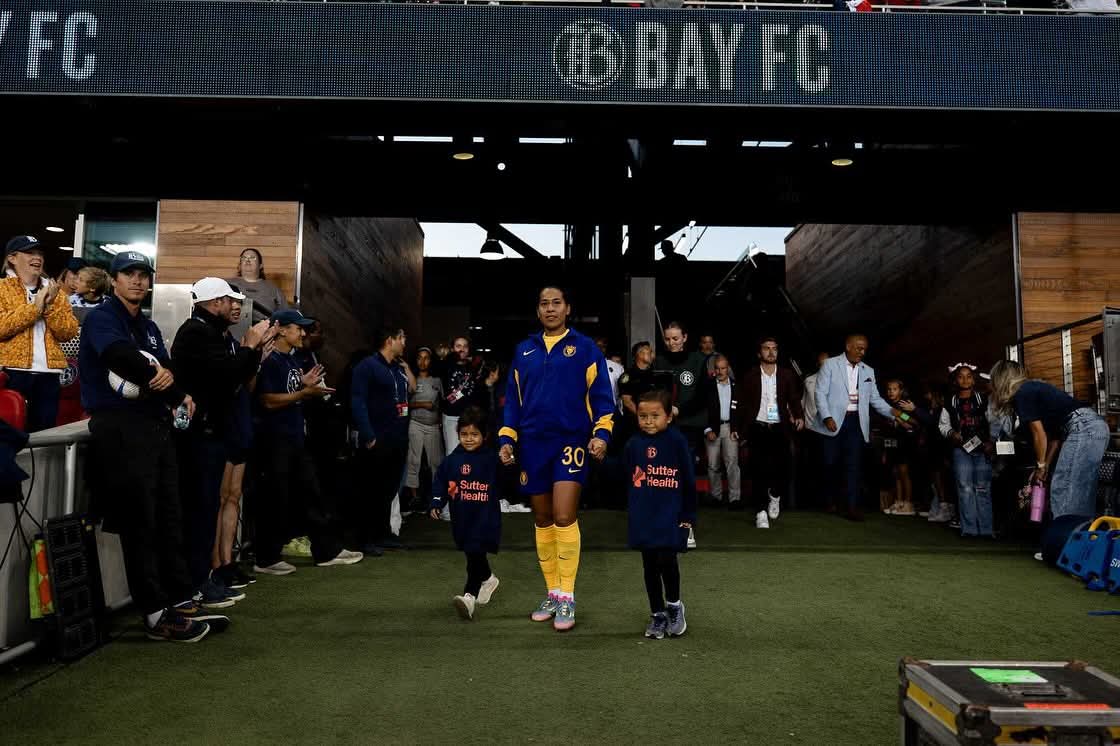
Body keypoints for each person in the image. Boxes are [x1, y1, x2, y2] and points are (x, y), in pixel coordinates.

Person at [79, 250, 216, 642]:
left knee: (168, 516)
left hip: (154, 428)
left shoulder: (151, 327)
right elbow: (120, 357)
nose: (137, 281)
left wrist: (178, 390)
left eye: (143, 275)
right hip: (120, 429)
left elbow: (168, 369)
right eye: (129, 274)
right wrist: (166, 383)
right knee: (140, 522)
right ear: (115, 279)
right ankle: (156, 615)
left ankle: (176, 598)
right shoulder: (102, 318)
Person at [499, 286, 614, 632]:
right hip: (532, 445)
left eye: (556, 303)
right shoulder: (524, 351)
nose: (550, 309)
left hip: (569, 442)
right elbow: (513, 403)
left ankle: (568, 597)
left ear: (567, 309)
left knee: (565, 515)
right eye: (544, 304)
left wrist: (601, 433)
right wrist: (507, 439)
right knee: (543, 517)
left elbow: (602, 398)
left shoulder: (584, 348)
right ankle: (551, 592)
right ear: (538, 311)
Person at [171, 277, 271, 604]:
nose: (235, 307)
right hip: (199, 436)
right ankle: (195, 583)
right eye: (230, 301)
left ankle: (202, 579)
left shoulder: (211, 333)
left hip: (213, 433)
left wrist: (251, 351)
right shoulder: (197, 333)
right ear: (215, 302)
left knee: (207, 508)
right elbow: (228, 376)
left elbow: (235, 378)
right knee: (199, 512)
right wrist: (249, 346)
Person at [254, 309, 363, 574]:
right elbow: (267, 400)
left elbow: (288, 392)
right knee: (277, 499)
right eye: (298, 328)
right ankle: (265, 558)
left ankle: (326, 551)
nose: (303, 333)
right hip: (275, 440)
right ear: (281, 329)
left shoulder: (291, 360)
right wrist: (304, 392)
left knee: (312, 493)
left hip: (294, 438)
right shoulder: (270, 360)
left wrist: (304, 385)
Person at [989, 360, 1110, 519]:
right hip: (1093, 427)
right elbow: (1054, 438)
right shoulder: (1032, 390)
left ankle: (1064, 537)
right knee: (1080, 491)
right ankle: (1081, 536)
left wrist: (1040, 466)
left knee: (1063, 487)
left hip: (1083, 427)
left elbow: (1039, 433)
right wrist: (1043, 467)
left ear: (1001, 379)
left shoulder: (1023, 392)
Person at [626, 390, 696, 639]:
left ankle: (675, 606)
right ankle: (657, 614)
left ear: (668, 416)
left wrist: (688, 516)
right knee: (649, 566)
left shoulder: (676, 442)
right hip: (643, 517)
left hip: (670, 516)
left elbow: (688, 481)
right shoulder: (634, 444)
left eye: (655, 416)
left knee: (667, 561)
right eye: (643, 415)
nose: (648, 421)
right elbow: (624, 476)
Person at [810, 334, 901, 521]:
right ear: (848, 346)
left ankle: (852, 507)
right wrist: (826, 416)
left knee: (853, 466)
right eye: (859, 347)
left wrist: (897, 413)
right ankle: (829, 500)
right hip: (833, 421)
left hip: (856, 423)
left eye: (865, 349)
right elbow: (819, 393)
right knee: (829, 463)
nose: (862, 352)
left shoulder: (868, 370)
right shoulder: (830, 364)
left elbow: (875, 399)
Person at [429, 407, 502, 621]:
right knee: (472, 552)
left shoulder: (491, 458)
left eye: (474, 434)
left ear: (484, 435)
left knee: (474, 553)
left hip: (485, 517)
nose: (468, 439)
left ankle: (469, 596)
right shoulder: (452, 460)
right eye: (464, 434)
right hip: (462, 518)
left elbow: (508, 476)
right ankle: (488, 578)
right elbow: (441, 482)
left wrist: (509, 462)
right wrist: (436, 501)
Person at [0, 235, 79, 431]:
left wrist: (49, 305)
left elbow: (68, 332)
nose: (37, 257)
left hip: (49, 374)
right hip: (11, 371)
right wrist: (35, 307)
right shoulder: (1, 289)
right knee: (9, 435)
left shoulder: (56, 293)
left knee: (44, 437)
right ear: (12, 257)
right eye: (30, 252)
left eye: (39, 253)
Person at [350, 325, 416, 553]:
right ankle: (365, 539)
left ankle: (383, 534)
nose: (405, 343)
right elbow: (357, 402)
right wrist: (368, 434)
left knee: (389, 490)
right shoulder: (367, 367)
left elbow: (408, 393)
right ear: (390, 340)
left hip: (398, 439)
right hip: (378, 439)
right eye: (402, 338)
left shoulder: (398, 369)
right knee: (371, 490)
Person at [735, 337, 804, 528]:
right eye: (767, 348)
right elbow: (741, 404)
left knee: (784, 467)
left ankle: (775, 495)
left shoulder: (787, 375)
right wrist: (736, 429)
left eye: (774, 348)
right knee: (758, 469)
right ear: (759, 353)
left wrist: (798, 416)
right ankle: (760, 512)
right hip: (757, 426)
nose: (771, 352)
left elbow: (794, 398)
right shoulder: (750, 376)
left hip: (780, 426)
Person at [936, 364, 994, 537]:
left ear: (974, 379)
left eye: (969, 376)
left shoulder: (984, 399)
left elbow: (994, 420)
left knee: (982, 487)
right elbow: (943, 425)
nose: (965, 380)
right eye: (961, 376)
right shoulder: (950, 402)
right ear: (955, 380)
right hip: (961, 449)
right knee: (964, 487)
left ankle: (986, 529)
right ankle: (969, 529)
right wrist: (951, 433)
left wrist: (992, 440)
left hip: (983, 448)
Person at [406, 346, 444, 510]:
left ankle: (436, 497)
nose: (423, 361)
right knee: (413, 460)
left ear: (431, 360)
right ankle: (414, 497)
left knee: (435, 462)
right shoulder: (411, 378)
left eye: (426, 358)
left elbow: (443, 403)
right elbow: (404, 403)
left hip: (433, 425)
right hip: (415, 423)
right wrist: (422, 404)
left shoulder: (437, 380)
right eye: (419, 358)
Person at [703, 355, 740, 507]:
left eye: (723, 368)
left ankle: (734, 499)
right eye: (717, 368)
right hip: (712, 429)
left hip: (730, 428)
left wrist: (737, 429)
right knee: (713, 465)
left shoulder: (736, 385)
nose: (720, 371)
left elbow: (741, 410)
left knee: (732, 464)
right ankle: (715, 497)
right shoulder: (708, 385)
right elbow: (702, 410)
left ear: (728, 368)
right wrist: (707, 430)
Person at [226, 248, 287, 341]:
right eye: (244, 258)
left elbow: (284, 314)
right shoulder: (226, 284)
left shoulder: (273, 289)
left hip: (266, 336)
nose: (247, 260)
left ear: (260, 265)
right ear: (239, 265)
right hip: (234, 334)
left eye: (252, 258)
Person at [880, 379, 917, 516]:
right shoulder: (887, 405)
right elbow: (887, 430)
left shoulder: (904, 404)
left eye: (894, 389)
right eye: (889, 389)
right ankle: (899, 502)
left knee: (904, 473)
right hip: (892, 443)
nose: (891, 392)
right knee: (895, 473)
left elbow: (913, 422)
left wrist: (899, 417)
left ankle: (908, 504)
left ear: (900, 391)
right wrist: (885, 451)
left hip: (904, 442)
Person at [440, 335, 483, 454]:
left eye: (465, 346)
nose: (462, 349)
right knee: (452, 453)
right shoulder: (446, 366)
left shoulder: (472, 368)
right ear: (453, 349)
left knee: (470, 454)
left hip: (469, 419)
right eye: (458, 346)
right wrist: (451, 356)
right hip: (451, 418)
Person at [595, 336, 625, 414]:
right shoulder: (580, 366)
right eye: (597, 346)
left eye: (603, 346)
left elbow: (623, 392)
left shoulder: (617, 367)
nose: (600, 349)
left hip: (611, 412)